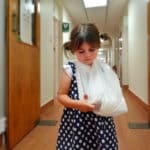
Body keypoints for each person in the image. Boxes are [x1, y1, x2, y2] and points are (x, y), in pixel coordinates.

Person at [56, 23, 119, 150]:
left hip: (101, 122)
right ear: (74, 50)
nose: (87, 55)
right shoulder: (70, 69)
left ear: (98, 47)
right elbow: (61, 96)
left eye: (92, 50)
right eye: (81, 51)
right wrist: (78, 104)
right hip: (77, 123)